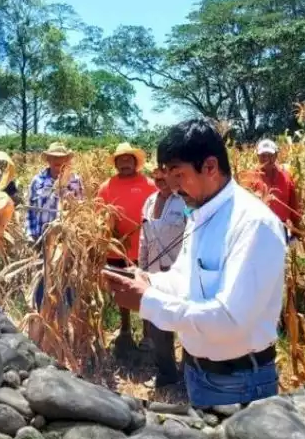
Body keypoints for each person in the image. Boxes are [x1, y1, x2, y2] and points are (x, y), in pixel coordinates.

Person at [102, 119, 288, 408]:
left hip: (239, 382)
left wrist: (147, 301)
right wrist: (148, 280)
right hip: (198, 374)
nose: (174, 187)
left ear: (210, 167)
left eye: (179, 175)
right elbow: (183, 278)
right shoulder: (200, 212)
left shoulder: (254, 224)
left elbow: (231, 320)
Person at [95, 142, 156, 356]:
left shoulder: (149, 184)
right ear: (116, 164)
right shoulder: (106, 187)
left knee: (145, 289)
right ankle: (125, 330)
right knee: (121, 290)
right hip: (116, 249)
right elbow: (99, 216)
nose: (125, 163)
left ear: (135, 162)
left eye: (128, 159)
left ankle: (148, 334)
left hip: (144, 248)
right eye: (121, 160)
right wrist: (110, 233)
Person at [138, 165, 191, 390]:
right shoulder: (149, 202)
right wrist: (141, 267)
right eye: (156, 177)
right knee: (160, 323)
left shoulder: (185, 203)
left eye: (163, 176)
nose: (160, 180)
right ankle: (166, 372)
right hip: (154, 271)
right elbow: (144, 235)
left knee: (187, 322)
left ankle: (188, 372)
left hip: (179, 270)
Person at [28, 142, 84, 311]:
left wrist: (70, 200)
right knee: (43, 277)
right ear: (49, 160)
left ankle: (67, 315)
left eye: (61, 158)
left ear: (67, 160)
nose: (58, 161)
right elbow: (30, 210)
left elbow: (82, 210)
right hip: (42, 238)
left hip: (67, 240)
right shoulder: (37, 181)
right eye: (54, 158)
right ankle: (41, 313)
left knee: (67, 277)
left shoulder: (75, 180)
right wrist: (30, 235)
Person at [246, 139, 301, 243]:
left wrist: (296, 233)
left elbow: (293, 206)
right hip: (257, 230)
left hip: (280, 227)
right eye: (263, 155)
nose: (267, 159)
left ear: (276, 156)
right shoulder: (250, 177)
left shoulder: (286, 177)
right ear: (258, 157)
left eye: (270, 155)